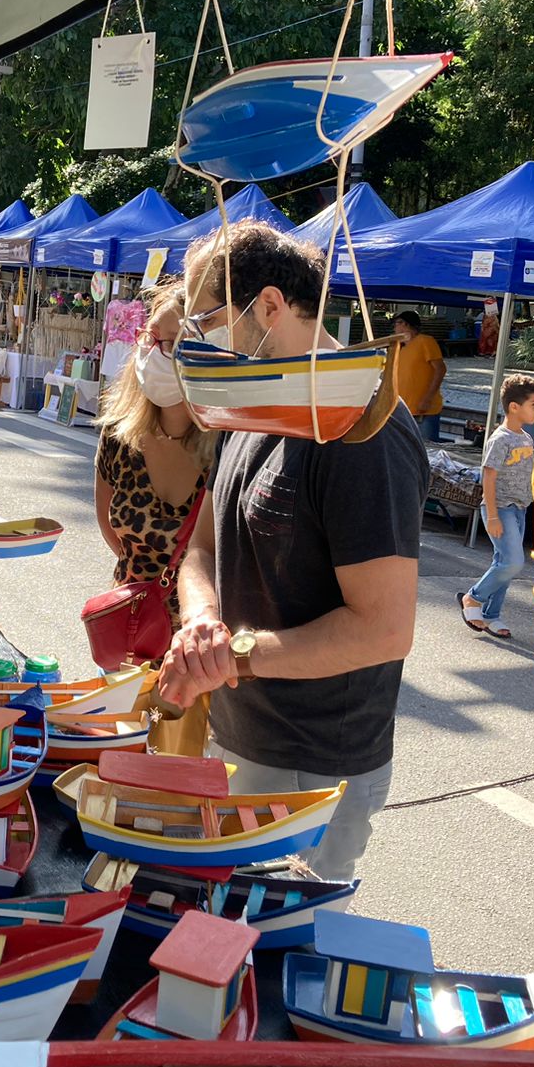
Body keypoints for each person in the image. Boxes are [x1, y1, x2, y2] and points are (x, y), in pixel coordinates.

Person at [157, 221, 428, 882]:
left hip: (314, 762)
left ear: (270, 307)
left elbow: (385, 630)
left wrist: (235, 657)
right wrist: (201, 623)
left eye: (207, 319)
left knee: (274, 961)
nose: (197, 340)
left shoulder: (368, 432)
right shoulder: (254, 405)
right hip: (241, 734)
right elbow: (202, 547)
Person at [93, 281, 216, 756]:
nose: (153, 352)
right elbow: (110, 526)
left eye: (172, 344)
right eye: (150, 339)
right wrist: (147, 589)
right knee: (118, 760)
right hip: (129, 635)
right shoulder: (119, 435)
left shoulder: (226, 446)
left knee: (180, 775)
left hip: (196, 651)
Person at [458, 374, 534, 640]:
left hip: (519, 508)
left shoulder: (526, 439)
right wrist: (493, 515)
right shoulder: (500, 438)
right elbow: (489, 475)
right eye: (533, 404)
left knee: (504, 562)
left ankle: (492, 615)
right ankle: (473, 598)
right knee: (513, 562)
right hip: (500, 508)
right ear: (514, 407)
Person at [393, 310, 447, 442]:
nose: (395, 328)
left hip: (424, 410)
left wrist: (428, 398)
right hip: (403, 410)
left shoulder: (425, 341)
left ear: (405, 324)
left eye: (397, 324)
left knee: (428, 450)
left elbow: (440, 369)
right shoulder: (399, 348)